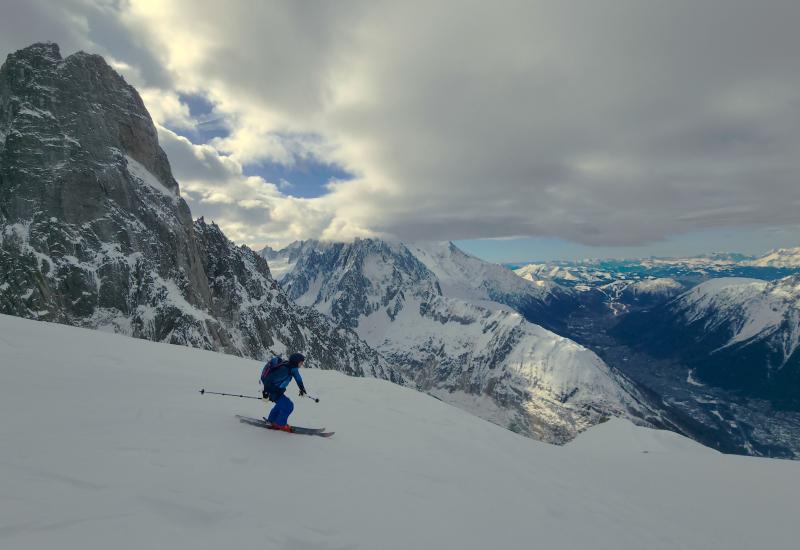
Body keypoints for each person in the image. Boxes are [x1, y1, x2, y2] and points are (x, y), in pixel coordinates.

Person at [260, 353, 307, 431]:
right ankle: (280, 424)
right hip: (271, 390)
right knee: (288, 406)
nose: (302, 364)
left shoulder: (293, 368)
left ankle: (272, 420)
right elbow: (268, 380)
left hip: (278, 390)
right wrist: (265, 394)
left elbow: (298, 378)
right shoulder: (284, 370)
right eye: (301, 362)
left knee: (281, 404)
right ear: (296, 362)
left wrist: (302, 389)